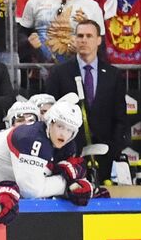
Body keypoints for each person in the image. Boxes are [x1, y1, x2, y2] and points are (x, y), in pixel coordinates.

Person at [0, 95, 94, 214]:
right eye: (60, 126)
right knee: (8, 199)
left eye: (70, 130)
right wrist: (66, 184)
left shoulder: (60, 144)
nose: (63, 134)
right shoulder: (31, 138)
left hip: (0, 175)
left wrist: (80, 182)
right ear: (49, 122)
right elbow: (31, 190)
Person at [45, 19, 129, 165]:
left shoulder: (113, 74)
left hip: (106, 151)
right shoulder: (59, 72)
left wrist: (115, 148)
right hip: (69, 150)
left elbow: (120, 115)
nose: (84, 40)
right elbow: (51, 112)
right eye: (80, 36)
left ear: (98, 40)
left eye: (89, 36)